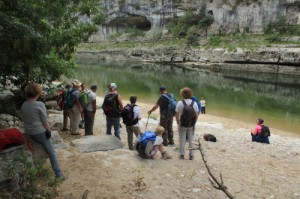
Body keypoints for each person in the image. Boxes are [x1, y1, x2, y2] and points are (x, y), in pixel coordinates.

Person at [21, 83, 64, 179]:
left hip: (28, 132)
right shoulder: (40, 104)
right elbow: (45, 122)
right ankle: (59, 174)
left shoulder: (24, 104)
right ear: (37, 93)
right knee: (52, 152)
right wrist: (49, 131)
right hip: (39, 133)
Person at [175, 87, 199, 160]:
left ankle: (182, 155)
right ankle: (191, 155)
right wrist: (194, 123)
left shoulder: (180, 103)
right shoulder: (194, 103)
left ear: (182, 94)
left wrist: (178, 122)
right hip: (191, 124)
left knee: (182, 139)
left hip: (182, 124)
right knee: (191, 140)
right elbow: (196, 114)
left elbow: (177, 114)